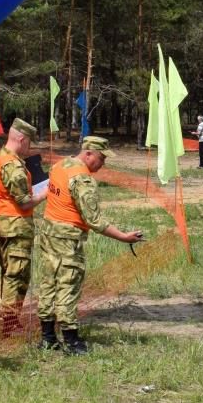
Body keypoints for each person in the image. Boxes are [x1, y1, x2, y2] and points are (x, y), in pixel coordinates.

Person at [38, 137, 143, 354]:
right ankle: (71, 341)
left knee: (49, 282)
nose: (103, 163)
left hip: (49, 233)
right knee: (68, 285)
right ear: (88, 154)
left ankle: (47, 338)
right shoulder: (82, 179)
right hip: (67, 239)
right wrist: (124, 237)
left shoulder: (60, 165)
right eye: (101, 158)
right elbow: (94, 221)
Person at [0, 118, 48, 328]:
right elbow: (24, 203)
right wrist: (45, 193)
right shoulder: (12, 165)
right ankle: (10, 324)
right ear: (21, 139)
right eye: (29, 143)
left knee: (10, 274)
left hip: (5, 224)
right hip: (15, 226)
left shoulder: (0, 158)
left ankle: (9, 321)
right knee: (17, 276)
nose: (29, 148)